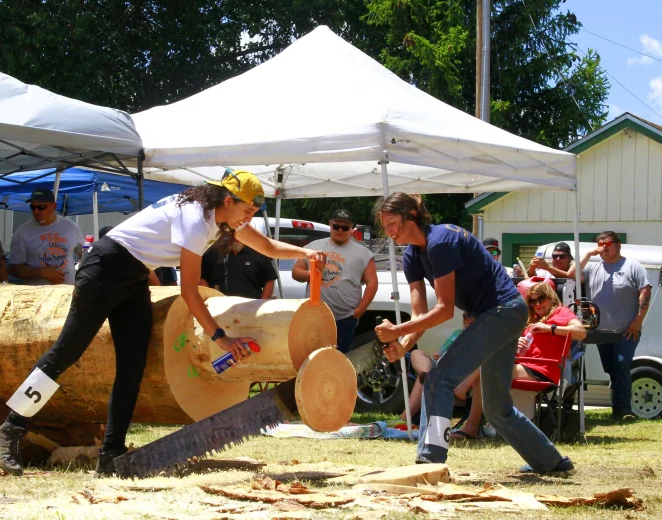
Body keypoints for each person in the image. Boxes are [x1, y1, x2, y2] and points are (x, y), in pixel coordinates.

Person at [0, 169, 325, 477]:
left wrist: (305, 254)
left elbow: (265, 245)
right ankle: (10, 428)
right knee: (67, 351)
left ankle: (112, 453)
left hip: (133, 275)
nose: (248, 219)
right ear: (227, 200)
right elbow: (190, 292)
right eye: (247, 211)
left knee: (133, 364)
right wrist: (220, 337)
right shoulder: (196, 220)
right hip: (105, 268)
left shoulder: (219, 216)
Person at [373, 192, 574, 476]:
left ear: (412, 217)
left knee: (439, 378)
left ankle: (430, 462)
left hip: (503, 310)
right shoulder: (411, 257)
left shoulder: (441, 242)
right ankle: (552, 463)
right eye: (385, 225)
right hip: (496, 315)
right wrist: (403, 345)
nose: (389, 231)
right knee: (497, 409)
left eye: (393, 223)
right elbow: (419, 317)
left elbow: (443, 310)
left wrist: (397, 330)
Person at [450, 282, 586, 440]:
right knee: (486, 367)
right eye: (532, 301)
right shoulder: (534, 319)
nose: (537, 304)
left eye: (540, 299)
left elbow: (581, 332)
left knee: (487, 366)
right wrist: (517, 343)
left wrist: (551, 329)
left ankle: (460, 391)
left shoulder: (560, 312)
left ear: (551, 297)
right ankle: (473, 426)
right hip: (524, 364)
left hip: (542, 370)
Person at [569, 231, 652, 421]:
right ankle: (617, 408)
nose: (603, 247)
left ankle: (624, 410)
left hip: (626, 330)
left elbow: (645, 291)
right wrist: (589, 254)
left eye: (607, 243)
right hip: (600, 330)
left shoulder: (633, 266)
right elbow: (572, 275)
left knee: (622, 364)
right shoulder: (593, 267)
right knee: (611, 368)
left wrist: (638, 322)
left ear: (618, 245)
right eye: (600, 244)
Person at [291, 209, 378, 353]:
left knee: (340, 358)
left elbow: (372, 283)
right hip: (315, 315)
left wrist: (359, 311)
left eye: (345, 227)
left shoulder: (363, 254)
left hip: (345, 317)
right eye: (336, 226)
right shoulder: (313, 247)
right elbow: (296, 272)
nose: (340, 230)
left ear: (351, 228)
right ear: (330, 224)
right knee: (312, 356)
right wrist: (314, 274)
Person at [404, 313, 473, 422]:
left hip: (457, 374)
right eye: (466, 315)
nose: (469, 318)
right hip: (439, 366)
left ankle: (404, 417)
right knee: (417, 352)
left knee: (430, 375)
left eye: (474, 315)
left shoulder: (480, 339)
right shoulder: (457, 334)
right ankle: (427, 374)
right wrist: (439, 354)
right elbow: (441, 351)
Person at [9, 189, 84, 285]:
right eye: (33, 207)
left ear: (53, 206)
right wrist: (41, 272)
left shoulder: (71, 227)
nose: (36, 211)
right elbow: (14, 269)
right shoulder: (22, 232)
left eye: (41, 207)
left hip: (67, 294)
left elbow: (83, 252)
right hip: (36, 296)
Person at [200, 233, 277, 299]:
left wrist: (262, 302)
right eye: (234, 233)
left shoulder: (258, 252)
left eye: (241, 234)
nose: (237, 237)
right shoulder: (214, 251)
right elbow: (202, 278)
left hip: (250, 308)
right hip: (220, 307)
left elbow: (269, 280)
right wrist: (210, 299)